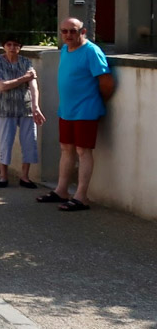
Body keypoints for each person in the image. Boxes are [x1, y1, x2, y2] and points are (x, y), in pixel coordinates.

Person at [37, 17, 114, 212]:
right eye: (64, 31)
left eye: (73, 31)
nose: (68, 35)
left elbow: (106, 82)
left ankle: (81, 196)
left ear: (83, 31)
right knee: (66, 148)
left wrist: (96, 102)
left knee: (83, 151)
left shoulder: (91, 51)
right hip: (67, 110)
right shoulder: (65, 49)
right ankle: (61, 190)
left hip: (86, 110)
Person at [0, 36, 45, 188]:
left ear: (20, 47)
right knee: (6, 141)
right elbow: (2, 86)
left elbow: (33, 85)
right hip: (5, 107)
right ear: (4, 46)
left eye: (16, 45)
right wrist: (23, 78)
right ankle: (3, 175)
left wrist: (36, 107)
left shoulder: (26, 62)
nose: (12, 47)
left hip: (25, 106)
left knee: (29, 141)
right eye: (9, 44)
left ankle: (25, 176)